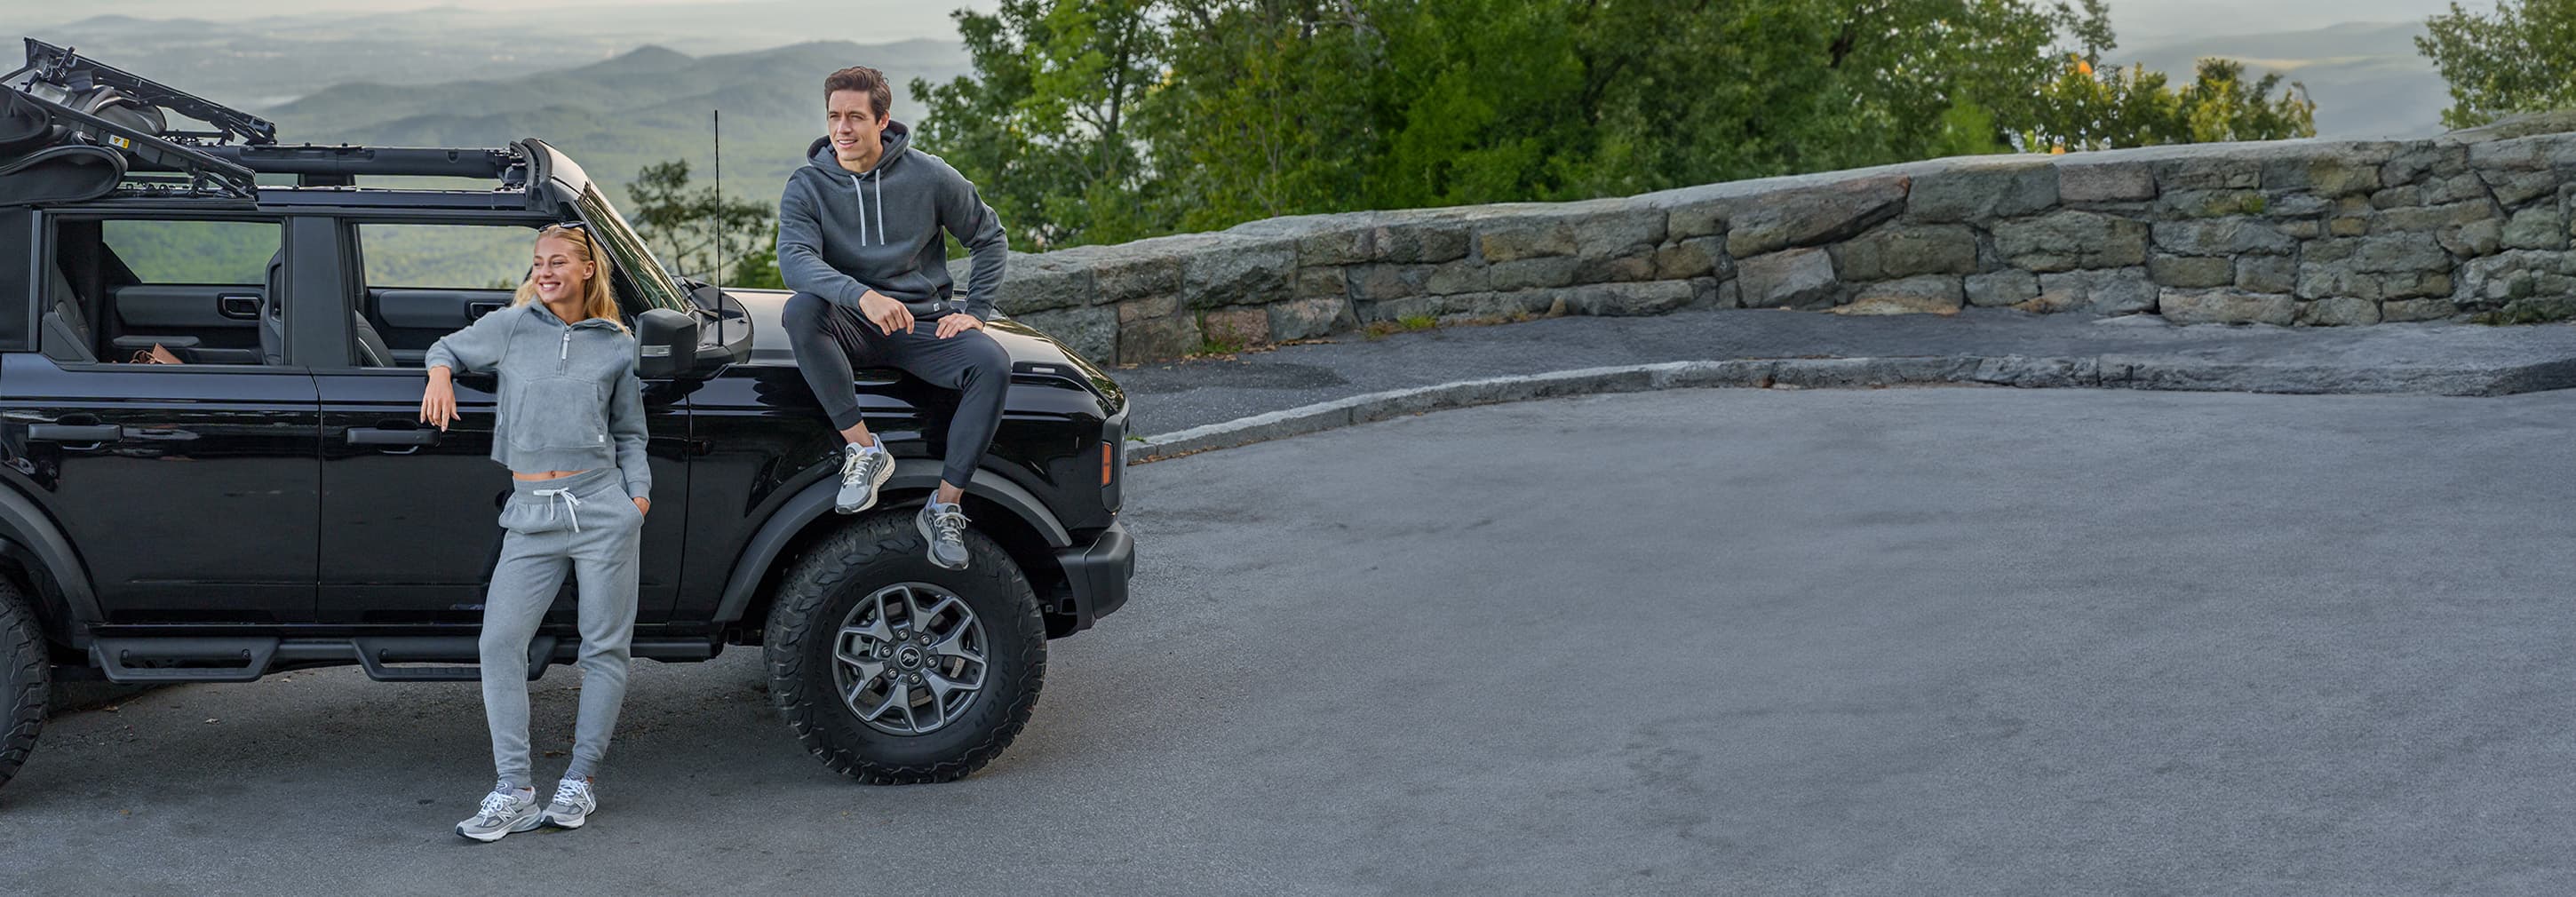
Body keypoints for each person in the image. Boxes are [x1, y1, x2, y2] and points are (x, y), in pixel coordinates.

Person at [418, 223, 650, 842]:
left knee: (603, 648)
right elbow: (446, 347)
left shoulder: (617, 346)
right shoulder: (512, 325)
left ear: (587, 271)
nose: (545, 271)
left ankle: (581, 780)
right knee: (499, 642)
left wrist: (638, 496)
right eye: (538, 262)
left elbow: (630, 431)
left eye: (558, 263)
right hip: (531, 513)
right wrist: (439, 373)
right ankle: (514, 789)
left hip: (602, 508)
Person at [777, 64, 1009, 571]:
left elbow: (989, 237)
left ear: (883, 120)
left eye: (855, 117)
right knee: (801, 312)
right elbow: (795, 261)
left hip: (922, 324)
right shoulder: (808, 185)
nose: (842, 129)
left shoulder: (929, 175)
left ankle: (945, 506)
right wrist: (861, 296)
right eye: (834, 116)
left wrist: (976, 312)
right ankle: (864, 451)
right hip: (851, 323)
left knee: (991, 363)